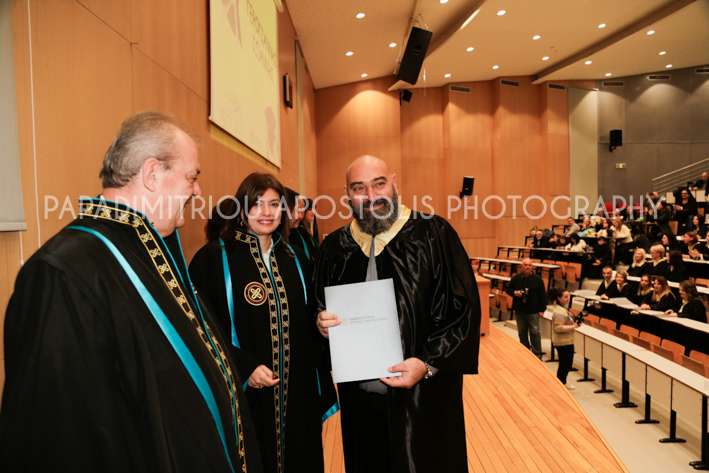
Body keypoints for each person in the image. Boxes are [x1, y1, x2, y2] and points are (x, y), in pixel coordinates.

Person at [0, 112, 261, 472]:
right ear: (152, 174)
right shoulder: (61, 273)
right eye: (192, 177)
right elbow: (59, 435)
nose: (198, 191)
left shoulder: (149, 250)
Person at [314, 155, 480, 473]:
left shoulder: (434, 234)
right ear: (347, 195)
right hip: (361, 401)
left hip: (423, 399)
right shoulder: (335, 247)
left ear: (394, 182)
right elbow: (319, 306)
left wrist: (427, 363)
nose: (371, 196)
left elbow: (463, 311)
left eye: (379, 184)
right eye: (359, 188)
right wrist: (321, 323)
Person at [190, 174, 336, 473]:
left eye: (274, 204)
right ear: (242, 210)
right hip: (245, 393)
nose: (266, 212)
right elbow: (200, 327)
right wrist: (244, 368)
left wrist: (320, 323)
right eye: (257, 204)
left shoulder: (297, 258)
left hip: (297, 390)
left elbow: (310, 315)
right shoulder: (214, 259)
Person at [506, 258, 546, 359]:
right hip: (520, 310)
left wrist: (542, 309)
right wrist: (514, 293)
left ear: (532, 267)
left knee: (535, 333)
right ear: (521, 266)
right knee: (522, 333)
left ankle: (537, 355)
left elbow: (542, 295)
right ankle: (526, 355)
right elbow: (508, 289)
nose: (527, 267)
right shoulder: (516, 278)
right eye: (525, 265)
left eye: (529, 265)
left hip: (533, 310)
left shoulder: (538, 279)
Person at [548, 288, 577, 387]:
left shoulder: (563, 309)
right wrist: (573, 326)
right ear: (558, 298)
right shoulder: (559, 311)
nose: (568, 299)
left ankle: (562, 382)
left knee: (566, 364)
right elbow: (558, 328)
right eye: (565, 297)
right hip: (562, 342)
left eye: (569, 296)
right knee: (565, 364)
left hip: (567, 341)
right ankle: (560, 384)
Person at [284, 187, 319, 266]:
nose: (299, 216)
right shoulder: (294, 234)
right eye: (298, 210)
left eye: (302, 211)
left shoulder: (300, 232)